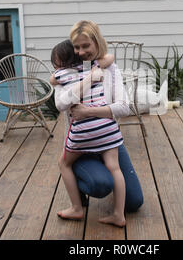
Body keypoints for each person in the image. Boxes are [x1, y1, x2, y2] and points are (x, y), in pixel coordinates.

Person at [52, 20, 143, 223]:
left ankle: (77, 206)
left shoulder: (107, 67)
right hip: (96, 138)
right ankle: (87, 183)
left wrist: (87, 112)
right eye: (77, 47)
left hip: (95, 135)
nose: (82, 52)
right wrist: (89, 78)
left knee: (135, 202)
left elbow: (124, 107)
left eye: (86, 46)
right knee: (100, 185)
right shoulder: (74, 70)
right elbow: (61, 103)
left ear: (97, 42)